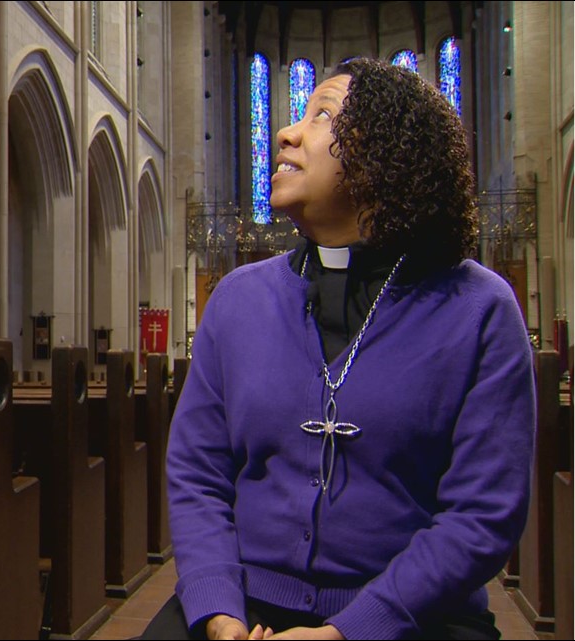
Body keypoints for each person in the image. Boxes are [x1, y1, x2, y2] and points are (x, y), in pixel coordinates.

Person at [144, 57, 536, 640]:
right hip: (241, 603)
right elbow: (198, 473)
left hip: (413, 615)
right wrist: (219, 612)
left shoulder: (480, 310)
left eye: (321, 115)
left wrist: (346, 632)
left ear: (386, 155)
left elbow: (482, 516)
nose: (286, 132)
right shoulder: (235, 300)